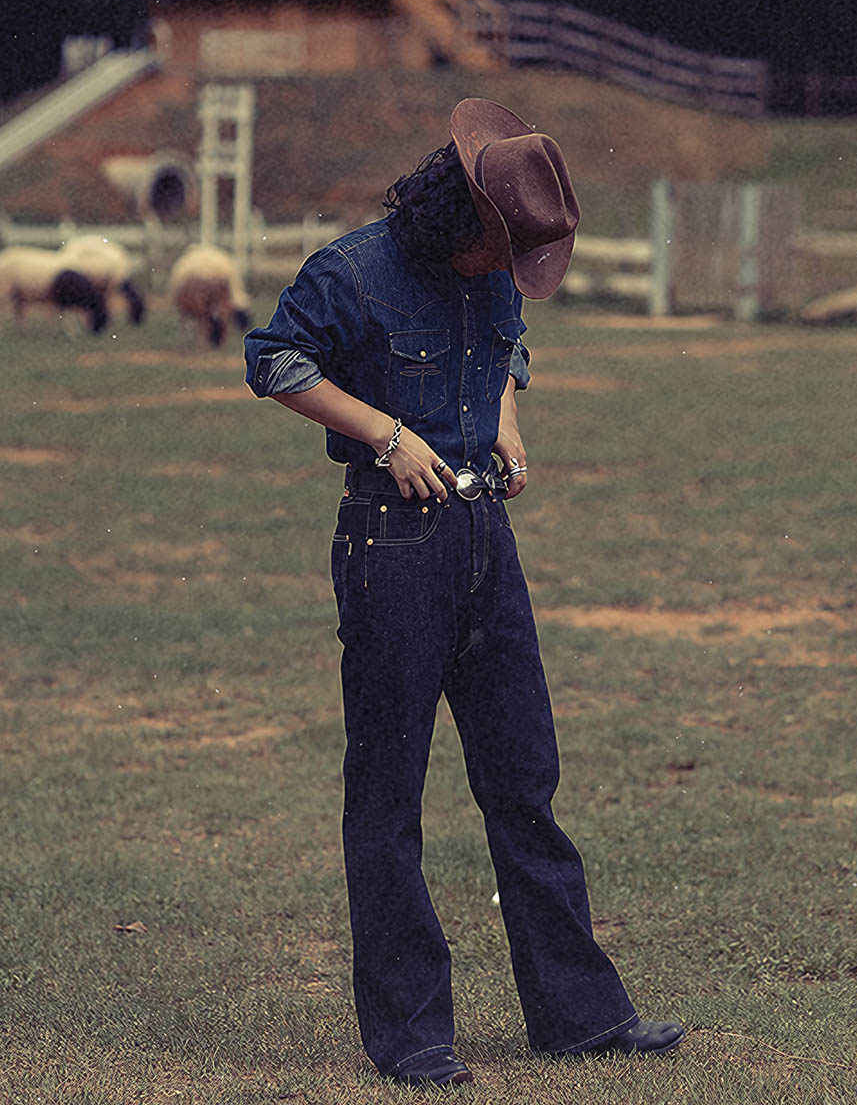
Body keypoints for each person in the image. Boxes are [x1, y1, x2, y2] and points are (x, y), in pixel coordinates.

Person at [243, 98, 683, 1089]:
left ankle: (579, 1018)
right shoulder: (352, 272)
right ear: (468, 219)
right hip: (393, 548)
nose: (513, 272)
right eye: (508, 251)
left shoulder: (492, 276)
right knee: (389, 796)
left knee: (525, 780)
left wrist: (505, 422)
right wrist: (385, 434)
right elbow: (271, 360)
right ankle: (412, 1037)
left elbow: (508, 350)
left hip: (487, 540)